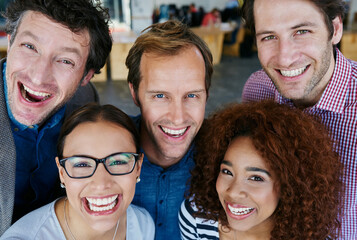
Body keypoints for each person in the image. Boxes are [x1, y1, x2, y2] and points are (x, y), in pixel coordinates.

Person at [240, 0, 356, 238]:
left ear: (335, 29)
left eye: (301, 32)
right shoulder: (256, 89)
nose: (285, 59)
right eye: (268, 37)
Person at [0, 0, 112, 235]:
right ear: (10, 43)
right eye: (30, 46)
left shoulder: (86, 101)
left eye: (65, 61)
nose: (39, 77)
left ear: (86, 76)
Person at [179, 100, 343, 239]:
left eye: (256, 178)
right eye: (227, 172)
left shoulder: (308, 235)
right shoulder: (196, 217)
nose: (234, 192)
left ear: (289, 187)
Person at [1, 103, 155, 239]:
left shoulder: (143, 224)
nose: (101, 184)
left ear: (138, 168)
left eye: (118, 161)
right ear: (62, 173)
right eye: (82, 165)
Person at [125, 20, 213, 240]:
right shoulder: (106, 155)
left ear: (207, 95)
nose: (178, 118)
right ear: (134, 93)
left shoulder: (224, 160)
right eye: (160, 96)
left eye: (192, 95)